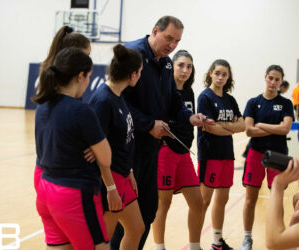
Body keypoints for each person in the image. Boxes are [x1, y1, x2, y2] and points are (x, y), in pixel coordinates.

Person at [111, 16, 214, 250]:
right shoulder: (133, 55)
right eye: (169, 38)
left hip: (150, 150)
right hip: (128, 152)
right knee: (126, 216)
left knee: (147, 211)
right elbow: (120, 102)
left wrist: (189, 117)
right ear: (155, 31)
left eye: (177, 41)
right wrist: (149, 124)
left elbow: (172, 99)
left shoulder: (166, 62)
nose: (172, 45)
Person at [33, 48, 121, 250]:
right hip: (74, 195)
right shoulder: (81, 110)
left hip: (45, 190)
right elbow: (106, 158)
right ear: (80, 76)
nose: (89, 82)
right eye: (89, 77)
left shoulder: (42, 106)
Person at [88, 44, 145, 250]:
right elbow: (97, 150)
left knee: (137, 228)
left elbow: (121, 140)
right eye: (140, 72)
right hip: (109, 180)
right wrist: (110, 188)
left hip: (122, 175)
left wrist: (128, 170)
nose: (140, 76)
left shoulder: (118, 95)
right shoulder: (103, 101)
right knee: (103, 241)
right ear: (132, 74)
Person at [152, 50, 204, 250]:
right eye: (181, 65)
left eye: (189, 66)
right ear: (172, 67)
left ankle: (194, 246)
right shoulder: (163, 90)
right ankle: (159, 247)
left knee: (197, 203)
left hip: (184, 154)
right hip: (166, 153)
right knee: (162, 204)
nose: (185, 70)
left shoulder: (189, 92)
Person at [240, 65, 294, 250]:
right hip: (255, 154)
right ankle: (247, 238)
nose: (273, 82)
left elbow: (285, 129)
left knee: (276, 198)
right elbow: (249, 130)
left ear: (281, 81)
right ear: (265, 77)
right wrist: (274, 128)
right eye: (270, 78)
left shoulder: (286, 104)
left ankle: (278, 236)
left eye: (277, 79)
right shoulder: (253, 102)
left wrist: (261, 125)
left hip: (278, 155)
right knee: (250, 199)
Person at [34, 26, 91, 191]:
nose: (89, 61)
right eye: (86, 56)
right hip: (59, 176)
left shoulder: (51, 75)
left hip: (46, 166)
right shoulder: (65, 93)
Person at [197, 59, 245, 250]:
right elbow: (209, 128)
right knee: (204, 201)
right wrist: (232, 128)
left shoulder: (229, 99)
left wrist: (223, 126)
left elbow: (243, 125)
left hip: (227, 154)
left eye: (224, 74)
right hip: (210, 154)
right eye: (217, 73)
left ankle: (217, 241)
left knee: (222, 199)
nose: (220, 77)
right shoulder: (205, 97)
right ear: (210, 73)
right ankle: (194, 242)